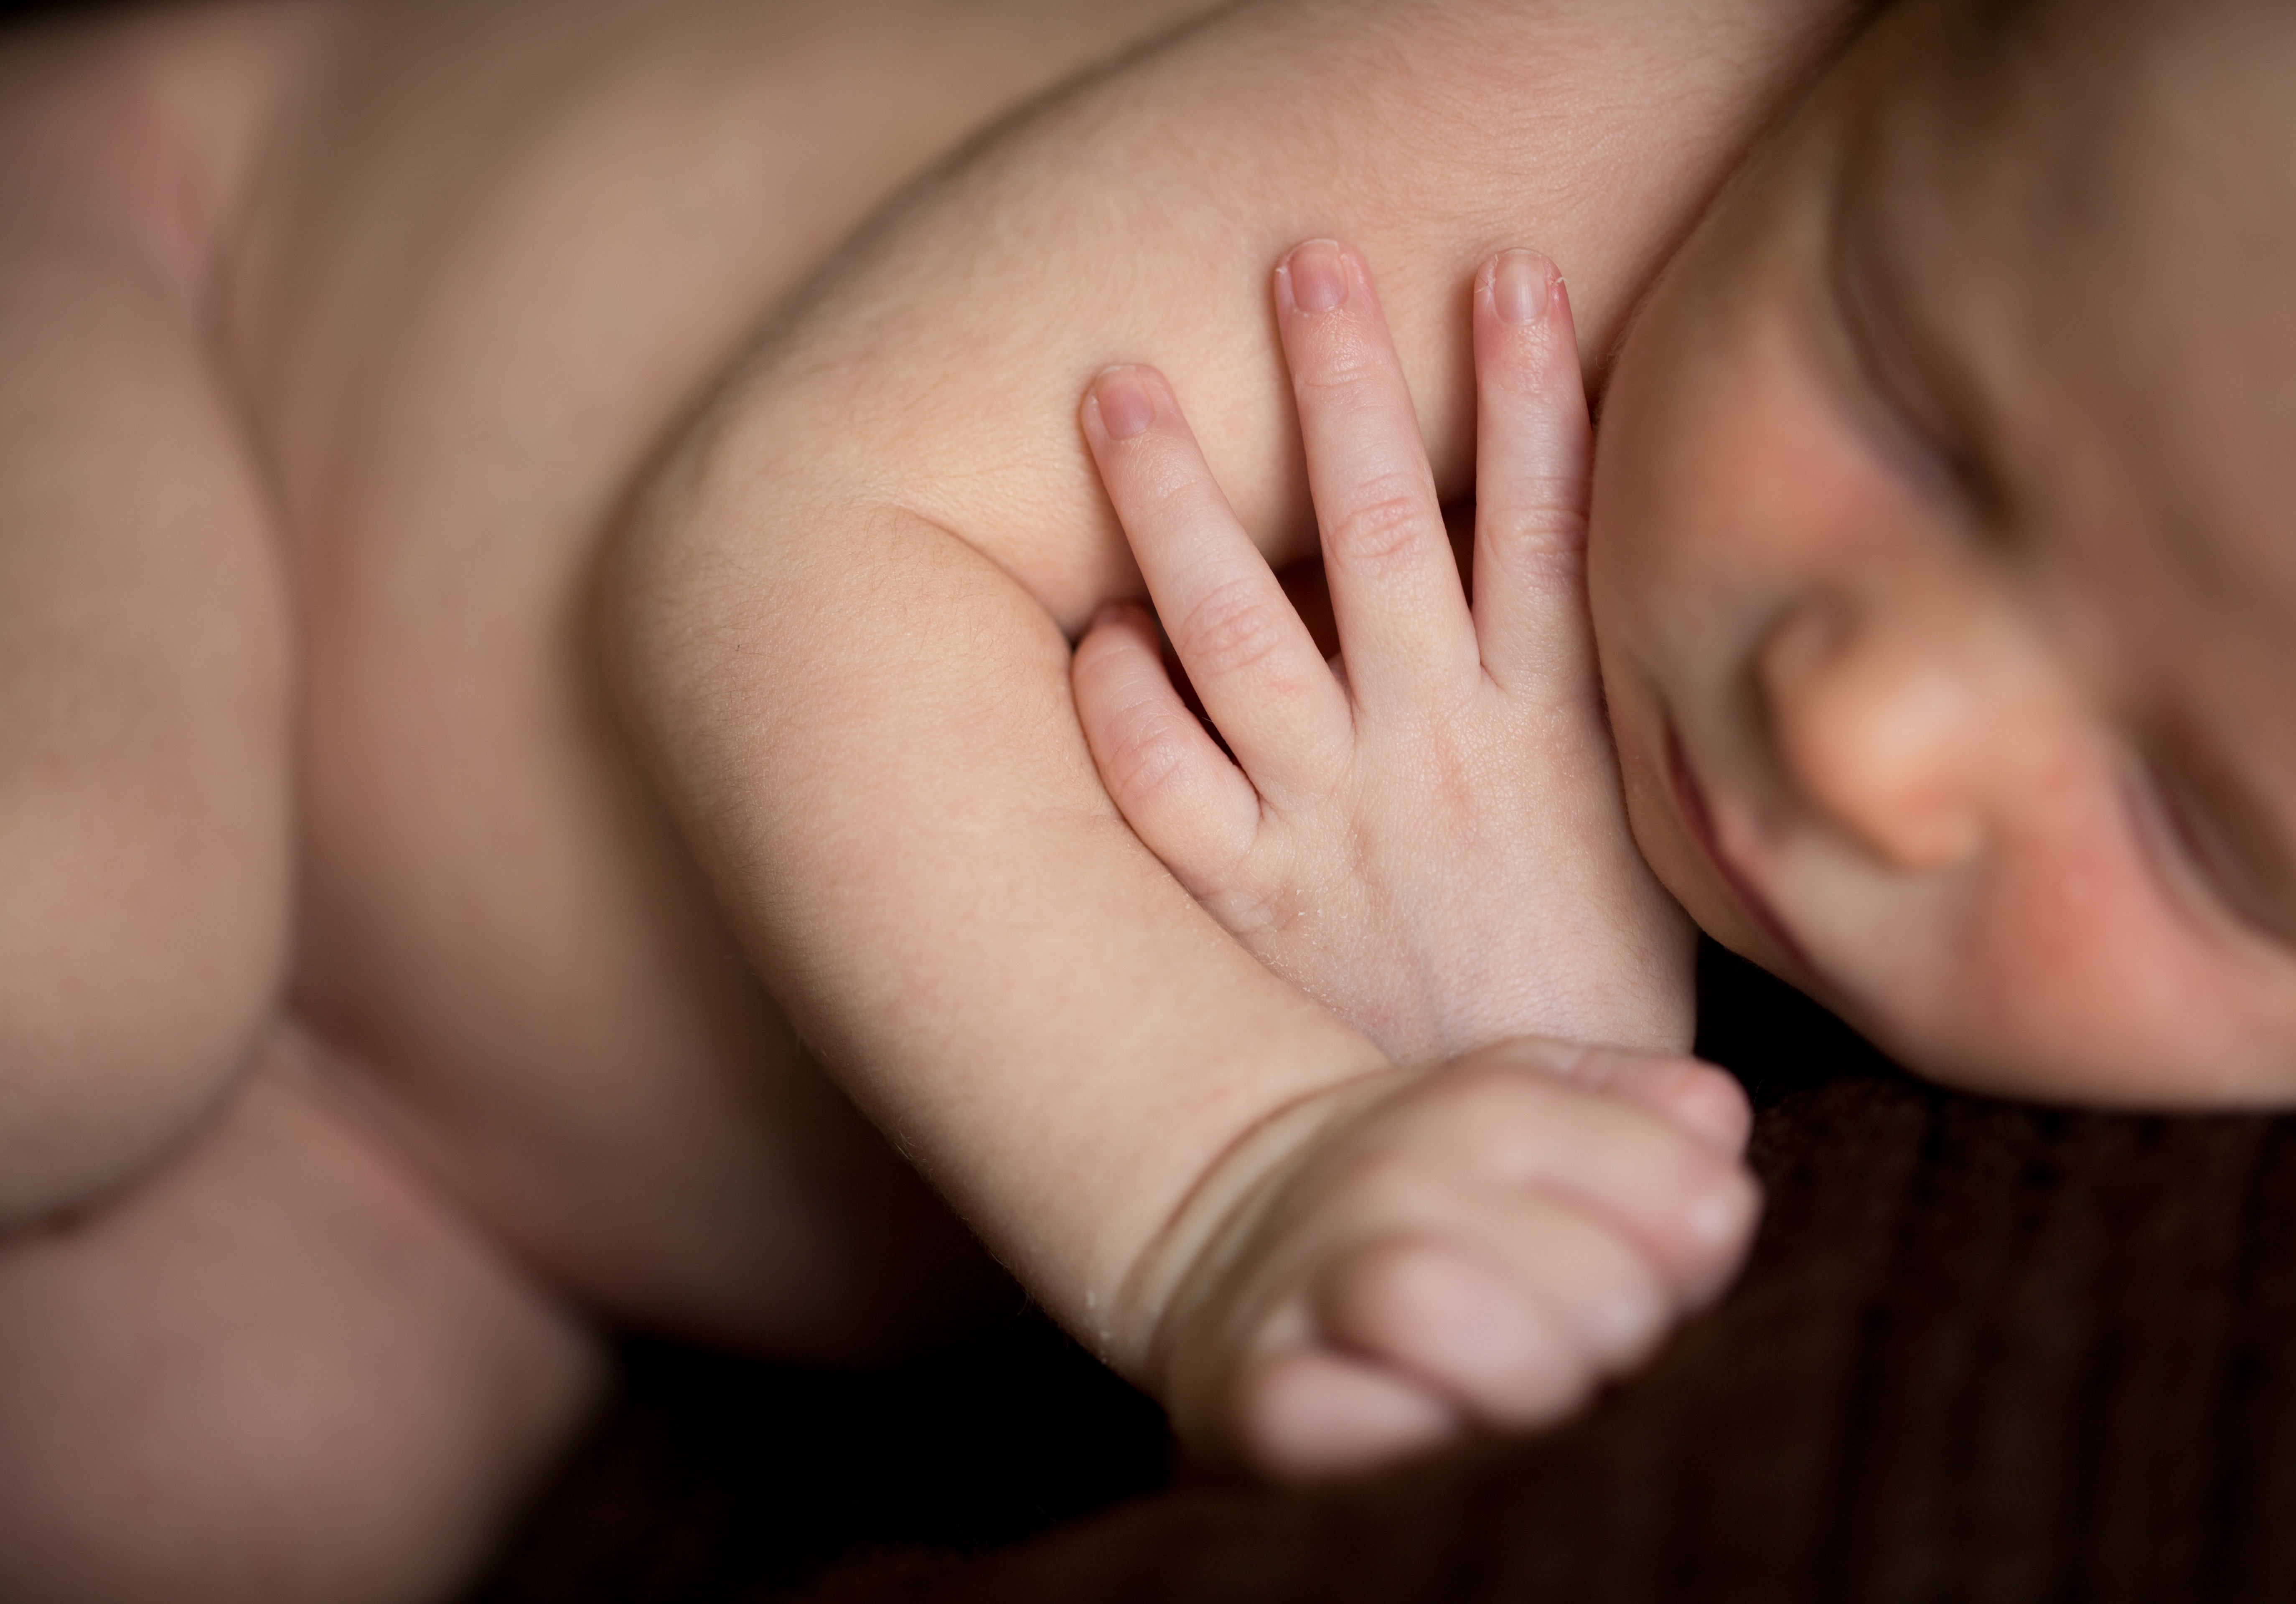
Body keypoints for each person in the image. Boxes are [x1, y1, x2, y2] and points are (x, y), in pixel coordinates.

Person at [0, 1, 1838, 1600]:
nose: (1881, 733)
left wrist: (1488, 1102)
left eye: (2147, 795)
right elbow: (789, 541)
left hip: (444, 1173)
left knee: (233, 1487)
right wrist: (1240, 1175)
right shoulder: (1647, 74)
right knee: (80, 939)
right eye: (1921, 409)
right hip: (193, 272)